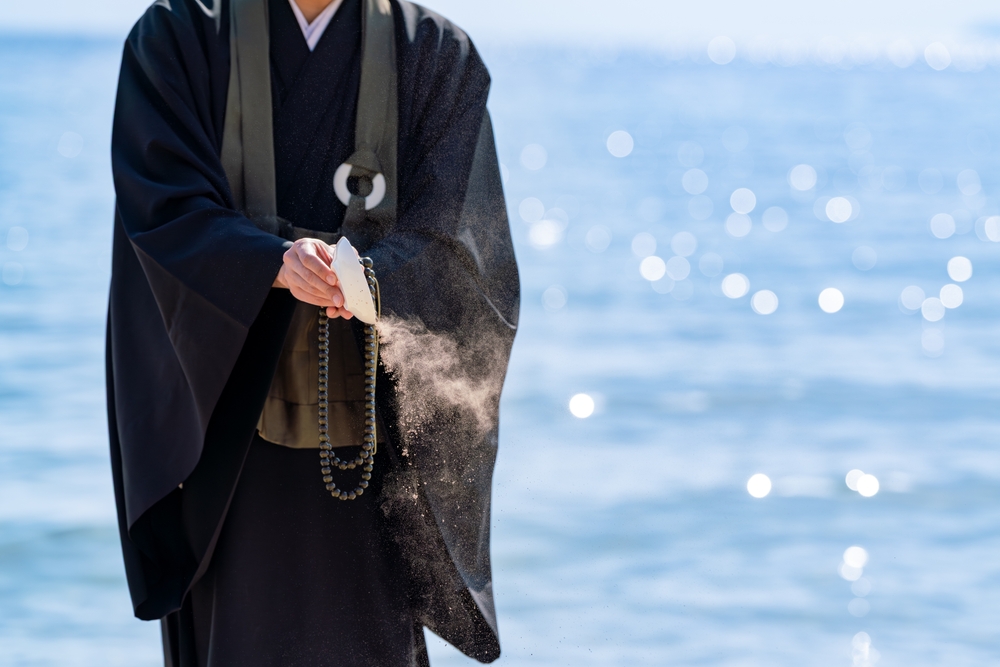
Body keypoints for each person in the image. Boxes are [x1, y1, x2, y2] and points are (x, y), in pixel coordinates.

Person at [106, 0, 519, 664]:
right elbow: (162, 206)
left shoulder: (434, 51)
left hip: (375, 455)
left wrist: (369, 279)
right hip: (231, 452)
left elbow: (462, 249)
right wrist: (271, 263)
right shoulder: (181, 34)